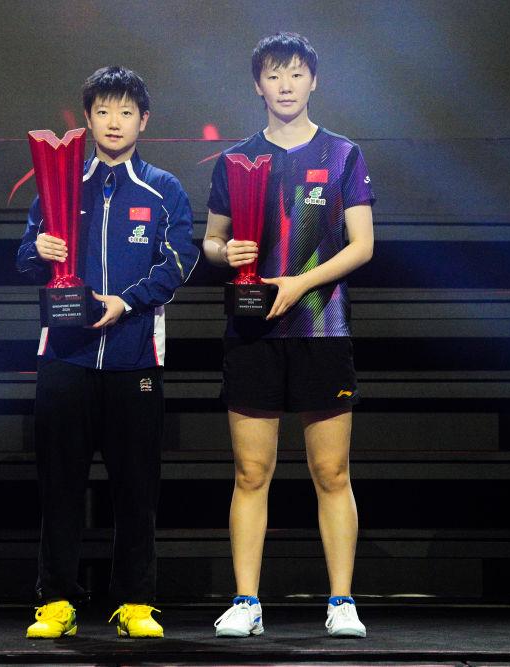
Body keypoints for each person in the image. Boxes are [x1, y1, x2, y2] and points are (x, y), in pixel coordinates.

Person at [202, 32, 375, 638]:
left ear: (313, 81)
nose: (285, 85)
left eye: (296, 74)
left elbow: (362, 244)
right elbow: (212, 240)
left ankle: (342, 602)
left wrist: (300, 284)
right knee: (251, 472)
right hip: (253, 332)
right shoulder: (234, 160)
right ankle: (246, 602)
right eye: (274, 75)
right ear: (258, 84)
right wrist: (226, 252)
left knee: (332, 473)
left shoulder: (344, 154)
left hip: (322, 328)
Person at [17, 65, 198, 639]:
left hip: (134, 360)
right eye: (102, 111)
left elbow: (180, 261)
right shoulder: (62, 183)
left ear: (144, 120)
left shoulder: (164, 189)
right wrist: (39, 248)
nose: (113, 122)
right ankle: (56, 602)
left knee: (137, 489)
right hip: (64, 359)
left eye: (125, 112)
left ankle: (135, 602)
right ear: (87, 119)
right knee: (60, 486)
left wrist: (127, 301)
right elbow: (24, 257)